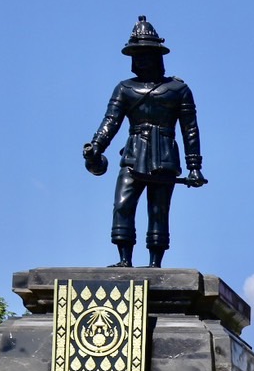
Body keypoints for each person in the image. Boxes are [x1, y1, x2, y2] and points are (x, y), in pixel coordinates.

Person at [83, 16, 205, 268]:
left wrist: (194, 166)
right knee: (122, 205)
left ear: (157, 56)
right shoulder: (124, 88)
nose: (139, 60)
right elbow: (110, 121)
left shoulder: (178, 89)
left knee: (159, 210)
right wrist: (96, 146)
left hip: (164, 156)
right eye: (135, 55)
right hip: (133, 154)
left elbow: (190, 129)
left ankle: (154, 263)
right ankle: (124, 259)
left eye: (144, 54)